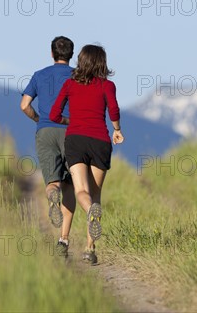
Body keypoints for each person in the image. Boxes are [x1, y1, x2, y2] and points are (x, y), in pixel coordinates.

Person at [49, 44, 124, 265]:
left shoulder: (70, 84)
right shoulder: (108, 85)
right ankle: (90, 250)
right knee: (96, 193)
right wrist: (117, 130)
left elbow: (54, 115)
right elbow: (114, 110)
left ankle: (89, 211)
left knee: (81, 191)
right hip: (100, 141)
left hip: (75, 141)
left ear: (80, 61)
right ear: (102, 62)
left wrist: (71, 121)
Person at [20, 36, 77, 257]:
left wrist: (38, 120)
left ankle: (52, 194)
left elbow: (24, 105)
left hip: (45, 130)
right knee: (71, 186)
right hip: (71, 132)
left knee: (52, 182)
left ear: (52, 54)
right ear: (71, 55)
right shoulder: (78, 76)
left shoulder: (39, 75)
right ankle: (63, 240)